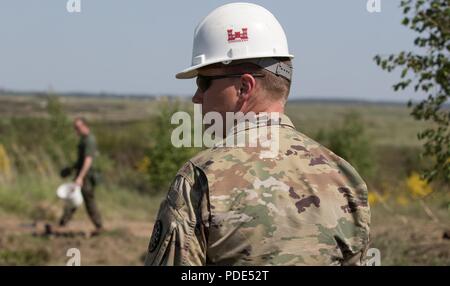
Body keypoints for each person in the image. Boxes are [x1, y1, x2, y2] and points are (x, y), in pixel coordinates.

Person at [144, 2, 370, 266]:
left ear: (243, 87)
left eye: (203, 82)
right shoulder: (345, 178)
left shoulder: (200, 180)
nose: (196, 97)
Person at [59, 117, 103, 235]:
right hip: (82, 174)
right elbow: (81, 160)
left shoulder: (89, 140)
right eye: (75, 128)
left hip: (87, 176)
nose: (76, 130)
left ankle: (99, 226)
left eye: (78, 127)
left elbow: (88, 160)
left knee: (87, 200)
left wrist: (80, 177)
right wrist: (71, 169)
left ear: (85, 126)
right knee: (73, 198)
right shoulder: (84, 140)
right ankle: (63, 222)